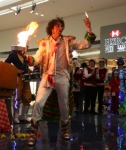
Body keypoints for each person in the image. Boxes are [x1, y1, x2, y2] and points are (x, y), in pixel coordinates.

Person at [21, 17, 96, 146]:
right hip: (47, 76)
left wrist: (88, 28)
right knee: (38, 103)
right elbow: (37, 59)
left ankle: (65, 130)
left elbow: (86, 44)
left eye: (62, 26)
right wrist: (26, 57)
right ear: (52, 28)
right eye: (58, 26)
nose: (61, 28)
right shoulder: (44, 43)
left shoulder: (68, 41)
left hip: (62, 76)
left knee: (64, 106)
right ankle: (32, 134)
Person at [5, 48, 32, 124]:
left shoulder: (25, 56)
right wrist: (15, 70)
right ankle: (15, 116)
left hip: (26, 78)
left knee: (28, 96)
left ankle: (24, 115)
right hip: (18, 77)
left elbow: (26, 66)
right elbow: (6, 64)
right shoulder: (13, 55)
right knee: (18, 97)